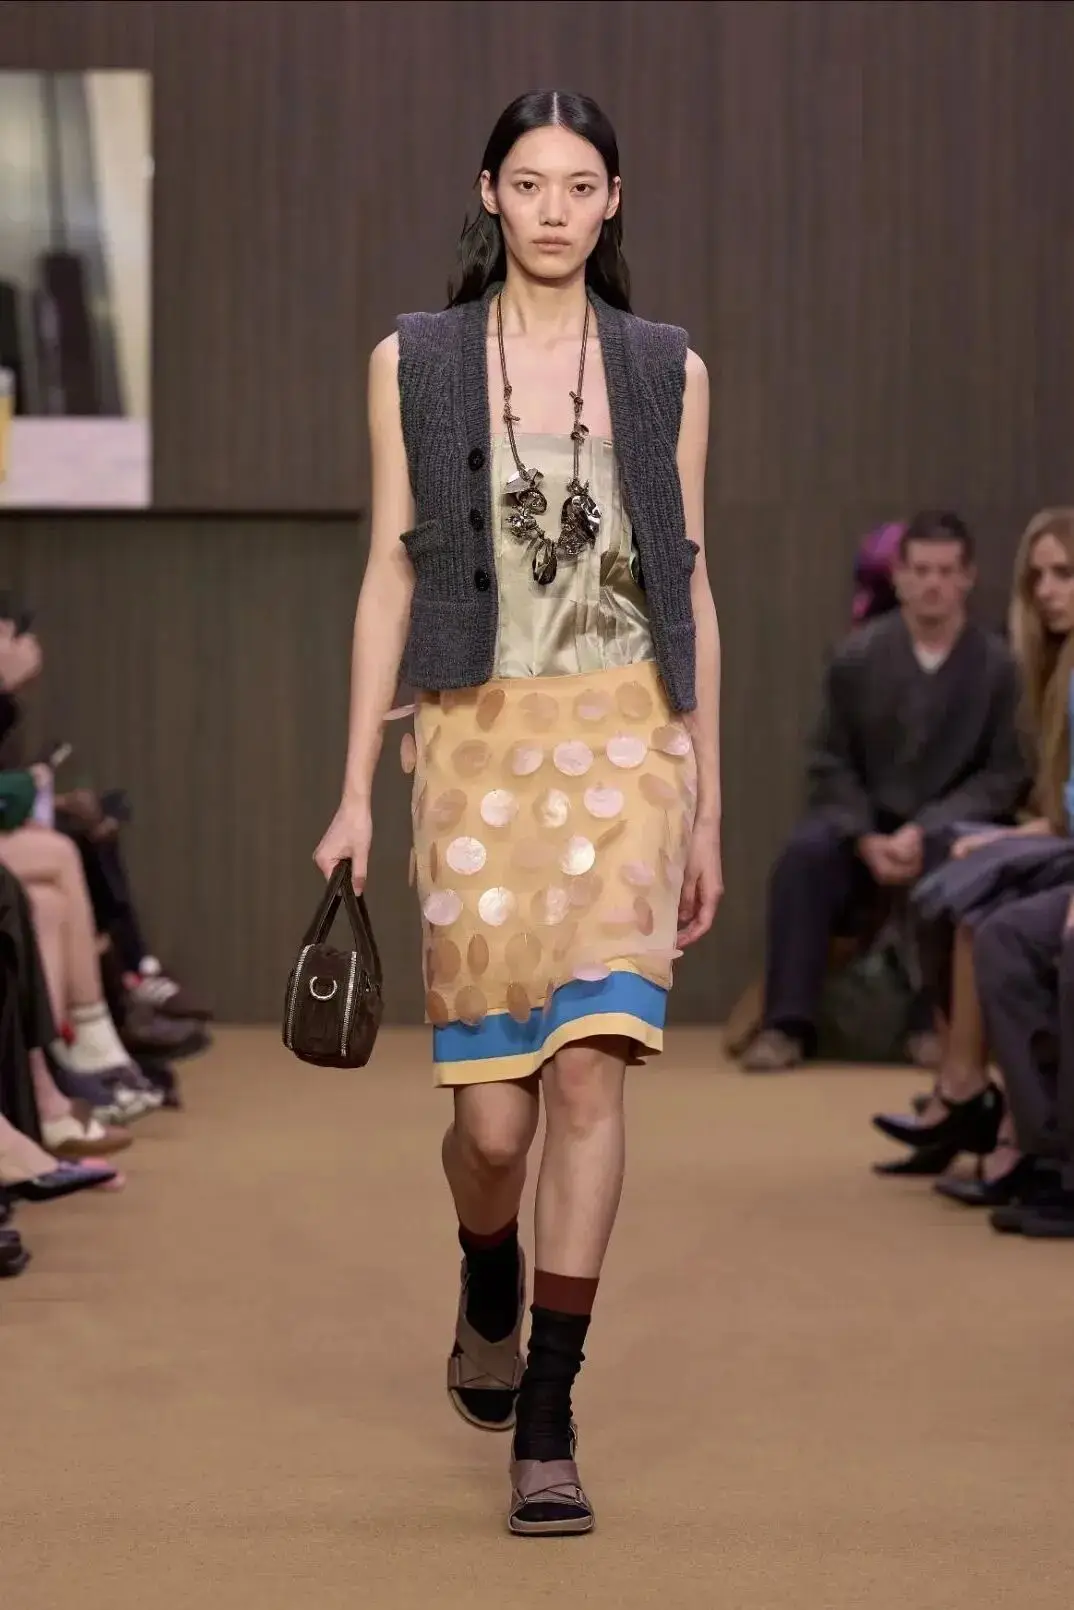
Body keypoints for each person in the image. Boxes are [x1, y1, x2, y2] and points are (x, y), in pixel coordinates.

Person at [313, 90, 721, 1536]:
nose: (556, 209)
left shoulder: (666, 366)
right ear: (489, 193)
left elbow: (688, 578)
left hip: (627, 741)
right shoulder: (415, 360)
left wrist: (706, 799)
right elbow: (390, 571)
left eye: (582, 185)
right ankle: (487, 1264)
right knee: (493, 1129)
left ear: (614, 202)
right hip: (475, 745)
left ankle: (548, 1413)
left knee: (591, 1081)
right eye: (531, 183)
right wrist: (354, 789)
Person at [740, 510, 1028, 1073]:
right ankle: (786, 1025)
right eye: (920, 570)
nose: (933, 583)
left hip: (949, 826)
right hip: (866, 825)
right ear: (898, 576)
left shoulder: (999, 666)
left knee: (957, 861)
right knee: (804, 859)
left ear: (968, 577)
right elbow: (830, 760)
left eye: (946, 571)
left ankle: (929, 1024)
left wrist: (928, 829)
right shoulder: (859, 656)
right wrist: (864, 836)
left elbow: (1004, 774)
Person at [874, 509, 1074, 1200]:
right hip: (1059, 837)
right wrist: (1003, 837)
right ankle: (964, 1088)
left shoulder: (1005, 665)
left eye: (1064, 573)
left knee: (981, 911)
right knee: (956, 870)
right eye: (1037, 576)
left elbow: (1011, 781)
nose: (1047, 590)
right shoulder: (1050, 666)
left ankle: (985, 1105)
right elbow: (1063, 811)